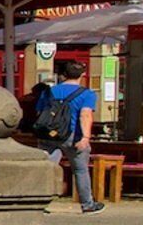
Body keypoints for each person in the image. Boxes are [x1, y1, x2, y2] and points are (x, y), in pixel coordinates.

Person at [35, 50, 106, 212]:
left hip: (49, 135)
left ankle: (38, 203)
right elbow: (85, 115)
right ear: (82, 75)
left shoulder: (49, 92)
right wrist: (86, 137)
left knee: (46, 169)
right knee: (80, 170)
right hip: (73, 135)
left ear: (63, 75)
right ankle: (87, 204)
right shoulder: (86, 94)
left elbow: (40, 112)